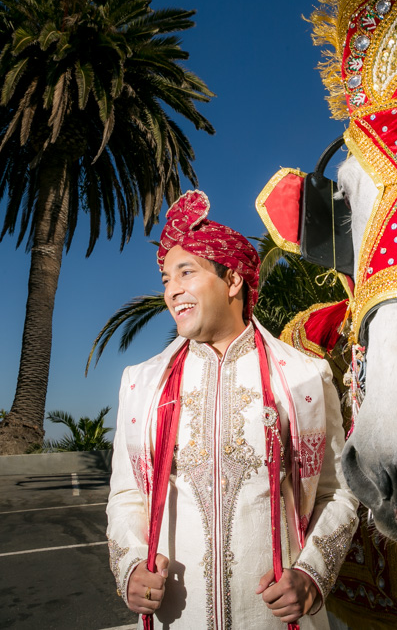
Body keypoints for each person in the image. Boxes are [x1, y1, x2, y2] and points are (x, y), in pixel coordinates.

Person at [106, 190, 358, 630]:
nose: (171, 291)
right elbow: (128, 495)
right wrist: (129, 566)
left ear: (234, 281)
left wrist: (312, 574)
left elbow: (337, 491)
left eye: (186, 272)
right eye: (166, 279)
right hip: (175, 620)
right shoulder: (142, 383)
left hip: (279, 620)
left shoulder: (304, 377)